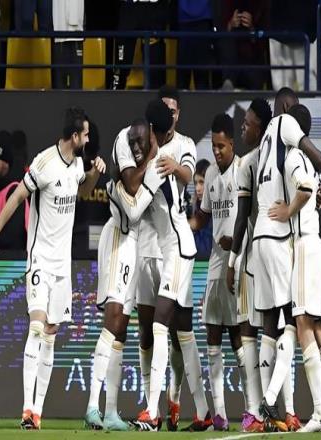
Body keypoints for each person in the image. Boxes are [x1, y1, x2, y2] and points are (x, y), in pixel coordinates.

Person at [0, 107, 106, 430]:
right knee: (36, 328)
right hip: (39, 260)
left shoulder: (77, 164)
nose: (88, 139)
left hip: (63, 264)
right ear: (74, 136)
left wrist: (94, 174)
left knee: (50, 334)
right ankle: (26, 409)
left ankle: (37, 412)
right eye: (85, 134)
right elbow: (16, 198)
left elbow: (81, 191)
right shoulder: (44, 163)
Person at [261, 104, 321, 433]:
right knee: (318, 330)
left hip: (303, 245)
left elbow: (304, 190)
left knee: (302, 325)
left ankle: (319, 412)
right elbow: (313, 191)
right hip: (315, 246)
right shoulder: (310, 163)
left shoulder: (292, 157)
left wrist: (287, 211)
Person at [132, 87, 209, 432]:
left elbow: (137, 206)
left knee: (162, 326)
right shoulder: (151, 158)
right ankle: (203, 411)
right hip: (165, 249)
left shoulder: (165, 159)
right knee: (178, 332)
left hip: (177, 250)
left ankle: (153, 410)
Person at [84, 119, 164, 431]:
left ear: (151, 136)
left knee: (121, 331)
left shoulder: (143, 156)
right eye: (133, 143)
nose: (135, 148)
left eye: (141, 143)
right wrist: (154, 158)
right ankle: (92, 405)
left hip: (134, 244)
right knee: (113, 319)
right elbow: (131, 194)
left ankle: (111, 412)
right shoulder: (123, 145)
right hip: (119, 237)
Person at [253, 102, 321, 433]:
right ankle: (277, 404)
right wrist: (290, 210)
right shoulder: (288, 134)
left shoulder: (266, 142)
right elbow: (314, 170)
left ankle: (269, 409)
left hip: (259, 238)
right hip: (279, 236)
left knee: (273, 324)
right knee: (294, 323)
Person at [227, 99, 287, 432]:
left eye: (248, 123)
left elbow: (241, 219)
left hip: (255, 258)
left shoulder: (251, 163)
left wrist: (232, 262)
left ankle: (259, 410)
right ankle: (271, 410)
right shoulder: (273, 159)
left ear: (261, 128)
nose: (243, 127)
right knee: (273, 330)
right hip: (273, 255)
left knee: (255, 331)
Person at [189, 113, 247, 431]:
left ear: (232, 144)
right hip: (215, 264)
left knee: (238, 337)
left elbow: (249, 219)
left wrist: (234, 244)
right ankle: (220, 414)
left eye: (221, 146)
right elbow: (203, 216)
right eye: (213, 146)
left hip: (237, 263)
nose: (217, 151)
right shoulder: (211, 172)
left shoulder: (243, 170)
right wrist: (183, 226)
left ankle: (252, 409)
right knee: (212, 336)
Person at [192, 159, 213, 259]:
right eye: (195, 183)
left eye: (201, 182)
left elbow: (205, 249)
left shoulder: (216, 210)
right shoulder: (196, 207)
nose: (197, 188)